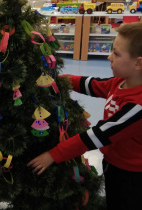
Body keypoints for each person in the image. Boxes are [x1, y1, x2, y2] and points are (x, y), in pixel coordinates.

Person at [27, 22, 142, 210]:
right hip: (113, 162)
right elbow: (91, 84)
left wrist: (53, 155)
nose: (109, 56)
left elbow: (97, 136)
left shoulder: (137, 106)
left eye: (116, 53)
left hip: (131, 175)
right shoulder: (121, 82)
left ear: (138, 63)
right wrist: (55, 80)